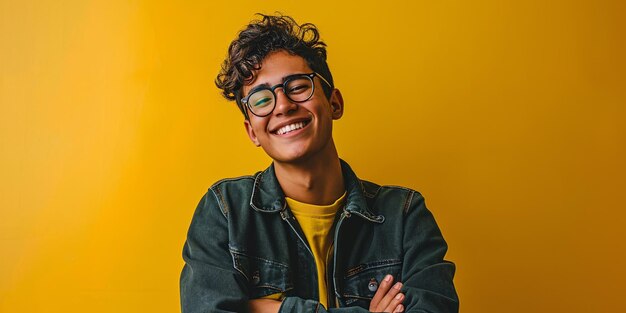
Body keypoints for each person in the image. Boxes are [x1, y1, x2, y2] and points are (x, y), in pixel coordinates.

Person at [180, 13, 459, 313]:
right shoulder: (226, 212)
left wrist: (266, 308)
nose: (283, 106)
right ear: (252, 132)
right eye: (261, 100)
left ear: (334, 103)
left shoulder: (403, 215)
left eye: (298, 86)